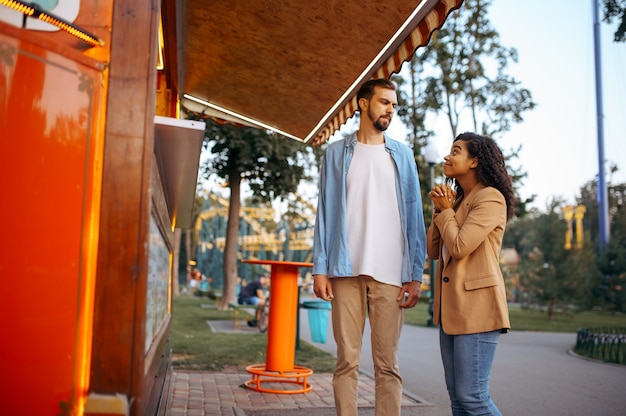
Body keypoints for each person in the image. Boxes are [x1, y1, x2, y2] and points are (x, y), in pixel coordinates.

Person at [312, 78, 426, 416]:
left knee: (387, 364)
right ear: (364, 104)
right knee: (346, 360)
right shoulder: (335, 154)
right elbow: (325, 212)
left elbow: (414, 218)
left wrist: (415, 274)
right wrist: (320, 267)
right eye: (385, 102)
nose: (391, 109)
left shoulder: (403, 156)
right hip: (345, 270)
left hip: (392, 274)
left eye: (394, 104)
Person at [426, 132, 515, 416]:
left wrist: (446, 212)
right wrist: (439, 211)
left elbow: (461, 246)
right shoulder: (459, 200)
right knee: (458, 399)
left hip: (478, 309)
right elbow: (432, 249)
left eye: (456, 151)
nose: (447, 157)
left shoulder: (491, 198)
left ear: (475, 161)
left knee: (473, 396)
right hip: (452, 311)